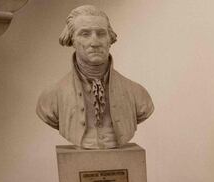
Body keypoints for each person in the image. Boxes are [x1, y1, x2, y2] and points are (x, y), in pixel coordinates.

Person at [36, 5, 154, 149]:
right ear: (71, 39)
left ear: (110, 39)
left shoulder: (137, 94)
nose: (95, 42)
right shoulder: (51, 97)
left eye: (101, 33)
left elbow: (143, 111)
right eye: (85, 34)